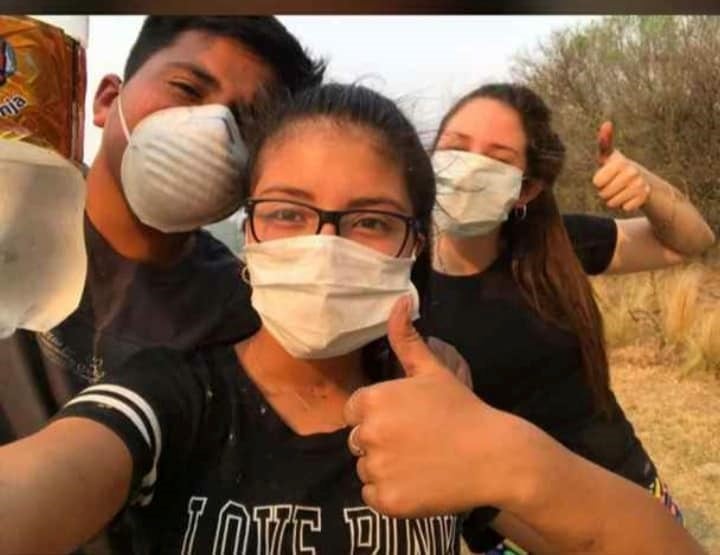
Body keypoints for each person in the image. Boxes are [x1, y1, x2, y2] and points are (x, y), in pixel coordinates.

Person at [0, 83, 706, 555]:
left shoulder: (441, 415)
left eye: (368, 219)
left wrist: (508, 459)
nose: (325, 241)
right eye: (286, 211)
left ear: (413, 244)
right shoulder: (170, 400)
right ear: (247, 236)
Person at [424, 82, 716, 554]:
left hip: (628, 499)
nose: (469, 166)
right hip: (517, 537)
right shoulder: (404, 289)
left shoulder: (555, 249)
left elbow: (690, 241)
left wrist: (648, 187)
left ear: (527, 189)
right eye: (456, 146)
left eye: (497, 157)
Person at [32, 15, 325, 408]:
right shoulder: (14, 217)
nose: (216, 128)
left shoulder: (244, 318)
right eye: (187, 89)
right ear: (106, 100)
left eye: (247, 120)